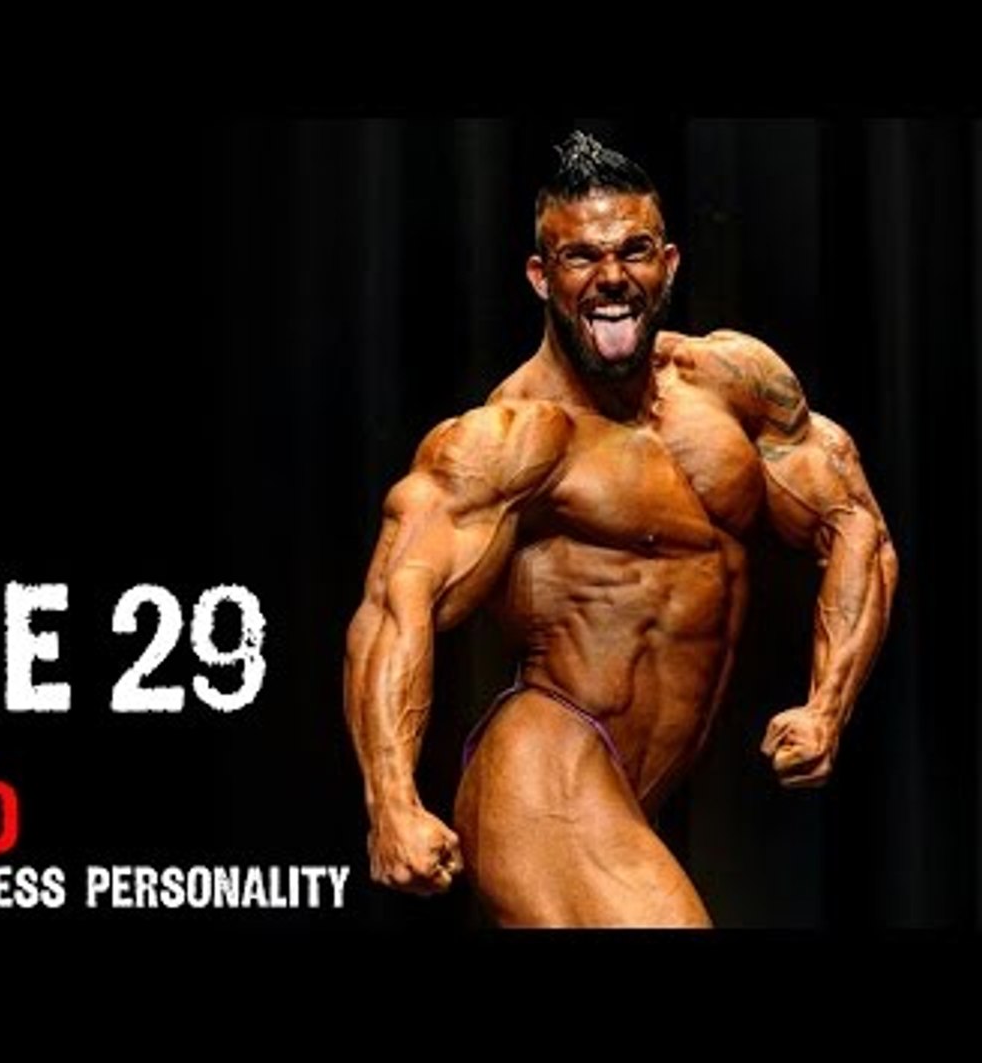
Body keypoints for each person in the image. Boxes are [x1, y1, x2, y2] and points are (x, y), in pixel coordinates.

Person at [343, 131, 899, 927]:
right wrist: (390, 803)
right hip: (543, 771)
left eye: (633, 251)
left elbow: (855, 528)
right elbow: (396, 606)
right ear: (541, 277)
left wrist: (828, 705)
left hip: (628, 793)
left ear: (667, 264)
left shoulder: (735, 387)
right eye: (580, 258)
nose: (611, 278)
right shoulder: (515, 437)